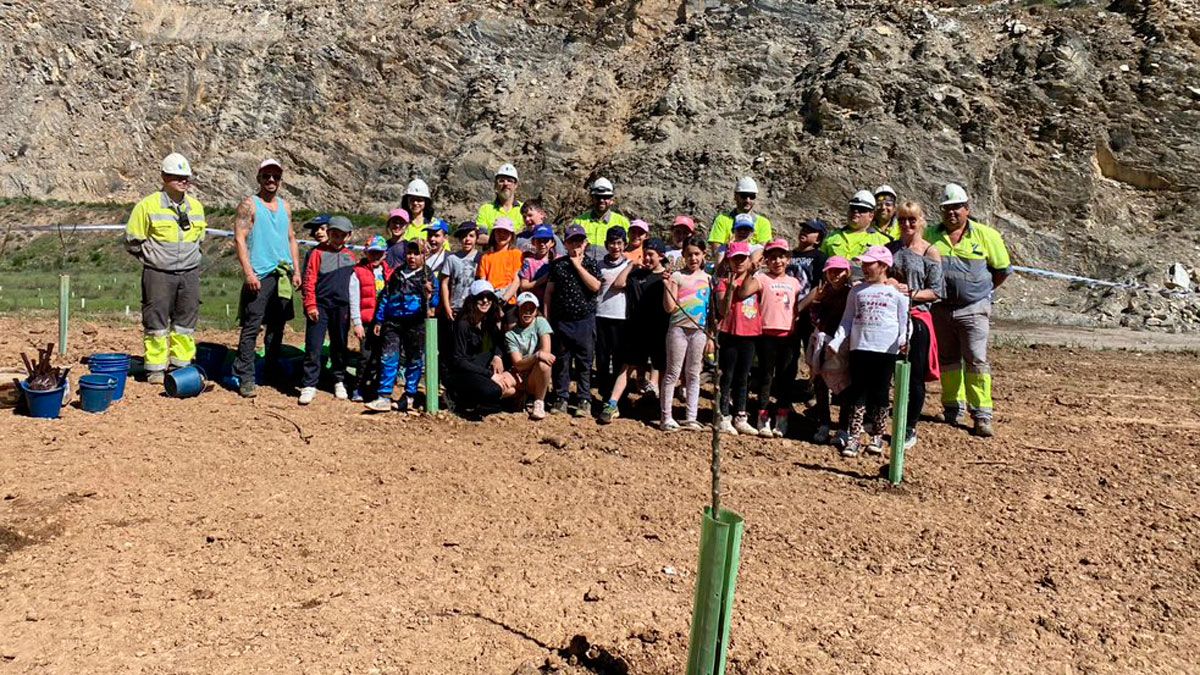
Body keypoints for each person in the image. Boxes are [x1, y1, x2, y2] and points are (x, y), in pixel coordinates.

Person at [925, 183, 1011, 437]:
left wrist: (982, 293)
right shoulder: (930, 235)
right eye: (946, 208)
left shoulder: (986, 235)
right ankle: (952, 408)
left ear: (967, 209)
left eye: (956, 208)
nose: (951, 213)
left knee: (975, 360)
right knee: (948, 360)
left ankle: (982, 414)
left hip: (973, 309)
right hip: (940, 309)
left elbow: (1002, 270)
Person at [124, 153, 208, 385]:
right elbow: (132, 241)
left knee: (185, 323)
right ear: (163, 177)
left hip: (189, 273)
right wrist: (153, 259)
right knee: (156, 323)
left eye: (185, 177)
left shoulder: (196, 207)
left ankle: (181, 367)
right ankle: (156, 369)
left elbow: (200, 239)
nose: (182, 181)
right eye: (176, 176)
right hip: (158, 274)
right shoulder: (147, 206)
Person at [827, 246, 909, 457]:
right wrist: (837, 341)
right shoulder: (856, 291)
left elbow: (904, 322)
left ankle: (878, 437)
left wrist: (903, 340)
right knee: (858, 392)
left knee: (881, 392)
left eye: (869, 264)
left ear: (883, 266)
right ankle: (854, 437)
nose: (864, 268)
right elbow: (847, 319)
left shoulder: (896, 293)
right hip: (860, 346)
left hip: (885, 348)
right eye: (863, 264)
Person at [231, 158, 303, 398]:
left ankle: (271, 369)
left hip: (282, 274)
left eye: (275, 176)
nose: (271, 180)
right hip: (260, 275)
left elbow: (291, 238)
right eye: (266, 176)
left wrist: (296, 270)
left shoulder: (286, 206)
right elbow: (240, 238)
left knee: (278, 326)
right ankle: (246, 376)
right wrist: (249, 272)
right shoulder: (249, 205)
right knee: (252, 326)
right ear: (259, 178)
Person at [887, 202, 945, 450]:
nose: (907, 225)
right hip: (889, 314)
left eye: (912, 220)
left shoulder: (929, 252)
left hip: (917, 315)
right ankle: (879, 420)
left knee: (915, 375)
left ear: (921, 221)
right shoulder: (890, 249)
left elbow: (937, 291)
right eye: (902, 220)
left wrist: (911, 292)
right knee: (885, 369)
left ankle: (909, 426)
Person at [601, 238, 670, 424]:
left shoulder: (667, 276)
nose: (647, 258)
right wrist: (631, 265)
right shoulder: (637, 274)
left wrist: (668, 282)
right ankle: (612, 404)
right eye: (645, 254)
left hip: (659, 330)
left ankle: (664, 408)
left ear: (661, 256)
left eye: (651, 255)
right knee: (626, 367)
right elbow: (618, 284)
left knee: (662, 368)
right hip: (636, 329)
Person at [366, 241, 432, 413]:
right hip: (393, 322)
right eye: (409, 253)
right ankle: (384, 396)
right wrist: (379, 320)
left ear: (424, 256)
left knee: (414, 359)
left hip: (415, 322)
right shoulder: (397, 274)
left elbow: (434, 301)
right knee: (388, 357)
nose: (412, 257)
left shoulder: (427, 276)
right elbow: (385, 296)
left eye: (416, 253)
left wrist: (430, 295)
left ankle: (409, 396)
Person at [545, 224, 602, 416]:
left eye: (579, 241)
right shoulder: (558, 265)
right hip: (562, 321)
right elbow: (549, 293)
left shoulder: (592, 264)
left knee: (584, 362)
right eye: (572, 241)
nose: (576, 245)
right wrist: (547, 318)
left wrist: (578, 266)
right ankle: (561, 397)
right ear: (566, 243)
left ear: (585, 243)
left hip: (584, 320)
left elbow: (595, 286)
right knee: (562, 361)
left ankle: (584, 399)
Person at [299, 216, 356, 405]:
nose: (337, 238)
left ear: (348, 236)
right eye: (334, 234)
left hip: (342, 307)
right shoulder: (317, 253)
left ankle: (339, 379)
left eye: (342, 235)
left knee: (339, 344)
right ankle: (309, 384)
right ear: (329, 233)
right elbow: (309, 280)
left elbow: (355, 285)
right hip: (321, 306)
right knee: (314, 344)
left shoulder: (351, 256)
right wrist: (310, 304)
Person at [660, 236, 711, 432]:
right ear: (683, 256)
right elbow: (669, 307)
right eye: (689, 254)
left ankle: (691, 417)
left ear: (704, 255)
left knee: (693, 373)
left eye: (697, 254)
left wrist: (710, 335)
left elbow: (711, 310)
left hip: (699, 331)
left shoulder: (708, 279)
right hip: (678, 330)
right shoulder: (677, 277)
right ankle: (667, 417)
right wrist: (667, 287)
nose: (693, 258)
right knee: (673, 372)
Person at [754, 239, 804, 438]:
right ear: (766, 260)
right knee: (766, 377)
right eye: (772, 257)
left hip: (788, 336)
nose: (777, 261)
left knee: (785, 378)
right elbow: (747, 291)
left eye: (781, 257)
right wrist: (753, 268)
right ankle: (762, 416)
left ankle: (782, 416)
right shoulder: (762, 278)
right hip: (766, 334)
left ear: (788, 259)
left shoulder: (794, 282)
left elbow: (798, 306)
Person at [802, 256, 853, 444]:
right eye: (831, 271)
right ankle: (824, 423)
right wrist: (817, 302)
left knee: (845, 385)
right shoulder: (823, 291)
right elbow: (814, 318)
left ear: (847, 272)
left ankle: (843, 427)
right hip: (823, 341)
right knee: (820, 382)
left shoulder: (852, 292)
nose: (835, 275)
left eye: (839, 271)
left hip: (844, 344)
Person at [714, 241, 763, 435]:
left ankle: (740, 415)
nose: (739, 263)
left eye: (743, 259)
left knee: (744, 376)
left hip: (750, 333)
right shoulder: (722, 283)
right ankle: (723, 414)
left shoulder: (755, 282)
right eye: (735, 259)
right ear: (728, 261)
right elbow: (722, 311)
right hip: (729, 332)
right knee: (727, 375)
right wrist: (730, 291)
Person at [447, 280, 519, 412]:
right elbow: (459, 360)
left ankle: (487, 398)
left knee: (512, 386)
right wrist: (490, 375)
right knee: (495, 390)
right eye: (481, 297)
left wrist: (497, 356)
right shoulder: (463, 323)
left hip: (479, 365)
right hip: (462, 372)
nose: (485, 301)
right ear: (472, 299)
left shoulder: (488, 320)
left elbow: (499, 342)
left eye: (489, 297)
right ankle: (462, 399)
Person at [594, 225, 634, 413]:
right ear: (606, 244)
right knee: (602, 359)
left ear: (624, 245)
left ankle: (618, 398)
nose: (615, 247)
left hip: (621, 317)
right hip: (600, 315)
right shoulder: (599, 265)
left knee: (619, 359)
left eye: (619, 243)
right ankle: (603, 394)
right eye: (612, 243)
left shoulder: (629, 265)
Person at [349, 235, 393, 402]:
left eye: (379, 253)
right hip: (367, 321)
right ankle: (358, 387)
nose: (375, 257)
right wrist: (357, 323)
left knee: (382, 356)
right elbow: (354, 299)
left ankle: (375, 387)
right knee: (366, 356)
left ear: (384, 254)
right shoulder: (358, 272)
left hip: (385, 322)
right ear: (366, 253)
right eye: (372, 253)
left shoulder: (389, 272)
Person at [505, 292, 555, 420]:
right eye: (524, 308)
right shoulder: (511, 335)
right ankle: (519, 395)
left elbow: (547, 353)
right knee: (502, 386)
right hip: (519, 375)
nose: (527, 312)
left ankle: (539, 402)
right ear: (518, 310)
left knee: (544, 364)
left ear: (536, 310)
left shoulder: (541, 322)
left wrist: (532, 360)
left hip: (534, 373)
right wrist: (536, 355)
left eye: (531, 309)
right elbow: (518, 364)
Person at [821, 190, 890, 267]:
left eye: (861, 209)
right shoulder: (831, 237)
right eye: (853, 208)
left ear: (871, 215)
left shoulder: (883, 241)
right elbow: (821, 264)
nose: (856, 212)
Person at [708, 176, 773, 246]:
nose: (748, 200)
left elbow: (762, 253)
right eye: (744, 196)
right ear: (735, 196)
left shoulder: (763, 223)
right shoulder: (722, 220)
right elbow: (716, 251)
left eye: (752, 196)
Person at [476, 217, 524, 307]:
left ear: (511, 235)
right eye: (498, 231)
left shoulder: (517, 254)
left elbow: (517, 280)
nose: (502, 235)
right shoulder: (486, 257)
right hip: (491, 299)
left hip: (510, 299)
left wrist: (504, 298)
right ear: (493, 234)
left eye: (505, 232)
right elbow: (483, 281)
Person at [573, 177, 631, 247]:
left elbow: (629, 248)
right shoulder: (579, 222)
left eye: (605, 197)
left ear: (611, 200)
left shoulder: (622, 222)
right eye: (598, 197)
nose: (601, 200)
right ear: (592, 198)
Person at [476, 163, 525, 233]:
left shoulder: (524, 210)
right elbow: (480, 236)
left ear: (516, 185)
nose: (505, 184)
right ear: (496, 185)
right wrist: (502, 240)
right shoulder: (485, 209)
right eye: (501, 181)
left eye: (510, 181)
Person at [517, 224, 556, 306]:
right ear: (533, 242)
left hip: (554, 303)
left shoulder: (557, 260)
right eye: (539, 240)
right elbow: (523, 285)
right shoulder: (529, 262)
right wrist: (542, 279)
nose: (542, 244)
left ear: (552, 242)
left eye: (545, 240)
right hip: (535, 303)